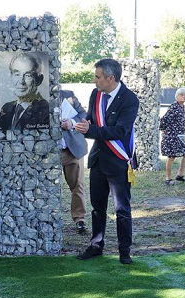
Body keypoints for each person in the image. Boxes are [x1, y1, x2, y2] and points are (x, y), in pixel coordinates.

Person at [75, 58, 139, 264]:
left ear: (111, 78)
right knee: (97, 207)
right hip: (98, 160)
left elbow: (120, 131)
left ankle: (124, 250)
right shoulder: (96, 94)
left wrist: (91, 130)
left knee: (121, 208)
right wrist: (81, 123)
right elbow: (91, 118)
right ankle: (96, 245)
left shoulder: (129, 99)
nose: (94, 80)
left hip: (118, 161)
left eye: (97, 77)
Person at [59, 89, 89, 233]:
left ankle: (80, 219)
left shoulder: (68, 95)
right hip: (48, 152)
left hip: (72, 149)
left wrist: (71, 122)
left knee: (77, 185)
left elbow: (83, 115)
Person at [0, 53, 49, 130]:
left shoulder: (45, 111)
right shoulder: (7, 108)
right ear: (11, 76)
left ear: (39, 80)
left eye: (28, 75)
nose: (21, 81)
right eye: (17, 74)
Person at [160, 87, 185, 185]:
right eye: (181, 95)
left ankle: (180, 175)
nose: (184, 97)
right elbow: (163, 120)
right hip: (171, 136)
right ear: (177, 96)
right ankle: (168, 178)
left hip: (180, 136)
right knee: (171, 157)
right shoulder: (174, 106)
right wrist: (164, 130)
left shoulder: (182, 106)